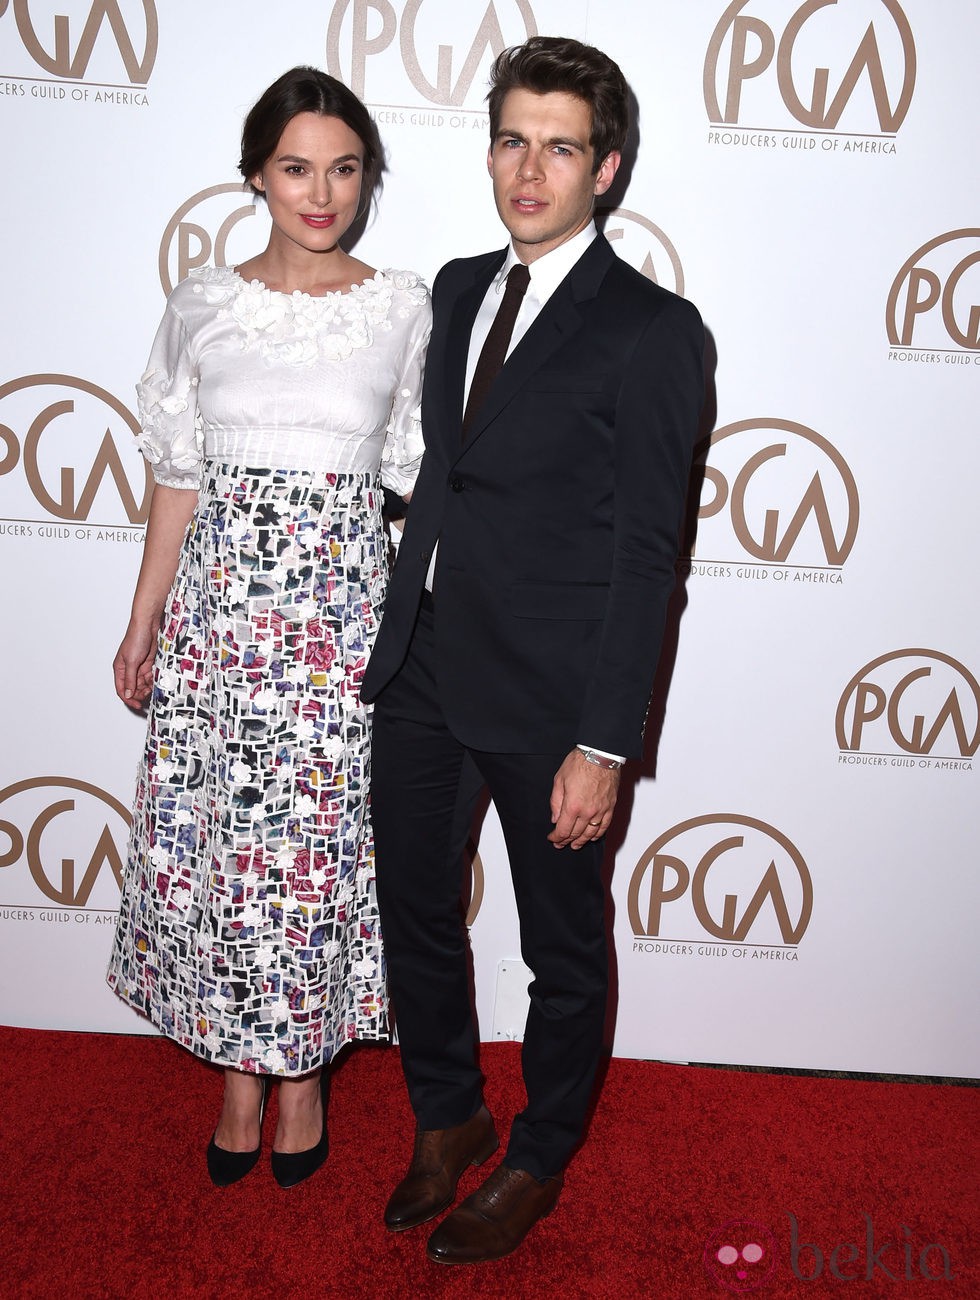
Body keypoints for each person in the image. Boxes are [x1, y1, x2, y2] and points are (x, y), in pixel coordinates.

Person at [362, 36, 704, 1263]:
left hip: (555, 693)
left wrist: (603, 741)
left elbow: (645, 556)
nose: (529, 167)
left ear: (603, 170)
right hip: (423, 660)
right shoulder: (454, 289)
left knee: (558, 948)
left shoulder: (653, 331)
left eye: (559, 146)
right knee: (412, 903)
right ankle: (448, 1114)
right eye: (512, 138)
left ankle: (539, 1152)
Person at [106, 66, 430, 1190]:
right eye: (296, 166)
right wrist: (142, 621)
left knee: (311, 858)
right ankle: (237, 1072)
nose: (321, 191)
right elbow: (176, 481)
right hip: (219, 621)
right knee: (223, 851)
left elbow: (418, 483)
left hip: (339, 624)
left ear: (366, 178)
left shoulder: (402, 306)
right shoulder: (202, 303)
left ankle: (300, 1078)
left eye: (344, 168)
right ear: (256, 174)